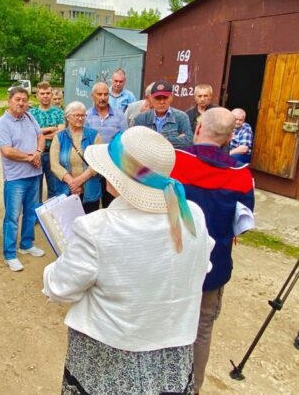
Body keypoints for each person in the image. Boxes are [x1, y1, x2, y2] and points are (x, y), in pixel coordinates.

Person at [43, 126, 214, 395]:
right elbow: (203, 266)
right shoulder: (191, 214)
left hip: (109, 355)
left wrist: (64, 260)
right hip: (174, 353)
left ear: (117, 177)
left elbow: (59, 287)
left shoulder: (97, 227)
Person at [171, 108, 255, 393]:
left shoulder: (174, 162)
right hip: (214, 266)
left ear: (197, 129)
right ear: (230, 137)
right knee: (202, 329)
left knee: (167, 323)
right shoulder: (241, 174)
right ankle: (192, 388)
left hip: (172, 263)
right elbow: (243, 223)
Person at [0, 86, 47, 272]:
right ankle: (10, 254)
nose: (21, 103)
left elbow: (40, 136)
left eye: (24, 100)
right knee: (12, 216)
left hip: (34, 174)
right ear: (9, 101)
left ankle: (26, 244)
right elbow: (6, 151)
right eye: (17, 99)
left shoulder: (29, 117)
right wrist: (30, 157)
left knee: (31, 212)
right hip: (16, 178)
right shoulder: (2, 123)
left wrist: (39, 152)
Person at [49, 101, 103, 213]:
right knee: (68, 225)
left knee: (89, 224)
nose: (80, 118)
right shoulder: (59, 137)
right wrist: (72, 183)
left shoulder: (94, 135)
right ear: (68, 117)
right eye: (76, 115)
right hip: (66, 190)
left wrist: (78, 181)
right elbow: (54, 165)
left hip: (90, 190)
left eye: (83, 115)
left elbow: (98, 162)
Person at [85, 81, 128, 207]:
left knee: (110, 205)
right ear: (92, 96)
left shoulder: (119, 115)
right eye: (99, 94)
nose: (103, 98)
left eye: (105, 94)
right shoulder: (86, 116)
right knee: (90, 205)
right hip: (92, 167)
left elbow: (124, 140)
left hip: (112, 167)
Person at [29, 81, 65, 200]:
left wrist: (39, 133)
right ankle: (36, 217)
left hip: (54, 155)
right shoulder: (31, 114)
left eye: (48, 93)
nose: (45, 96)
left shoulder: (59, 112)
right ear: (37, 95)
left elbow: (60, 133)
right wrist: (50, 129)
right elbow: (29, 134)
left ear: (51, 94)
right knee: (35, 190)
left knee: (54, 188)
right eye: (42, 93)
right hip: (37, 155)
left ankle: (52, 216)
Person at [133, 80, 193, 150]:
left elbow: (189, 141)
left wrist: (161, 140)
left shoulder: (181, 117)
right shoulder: (141, 118)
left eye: (165, 98)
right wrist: (174, 140)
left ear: (171, 97)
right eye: (158, 98)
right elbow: (135, 142)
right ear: (151, 99)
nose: (162, 102)